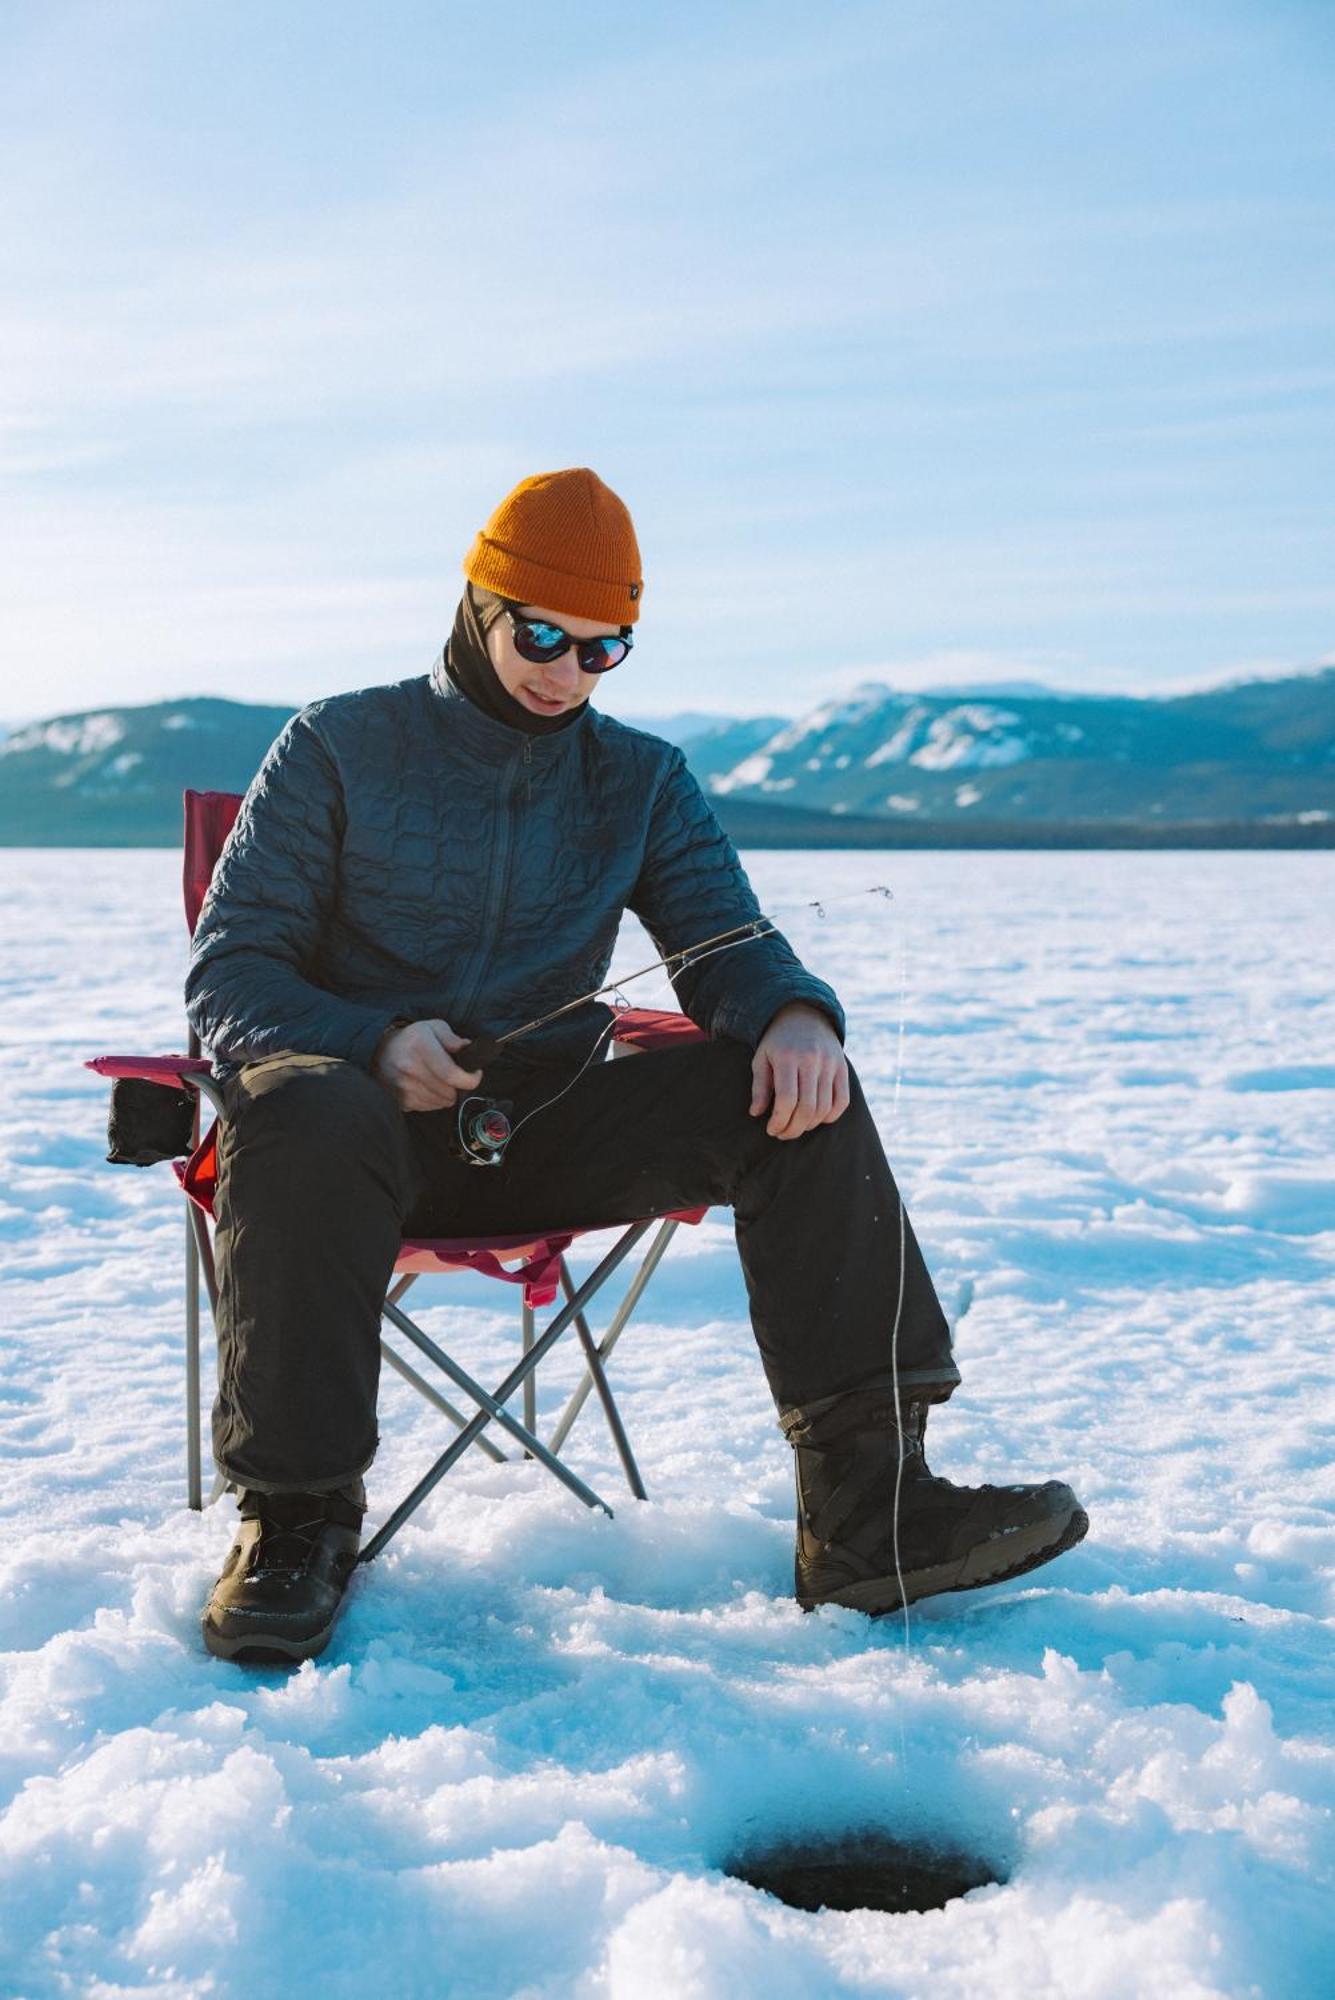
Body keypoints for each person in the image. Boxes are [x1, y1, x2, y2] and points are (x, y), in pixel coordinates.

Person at [186, 466, 1087, 1663]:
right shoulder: (338, 745)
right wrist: (372, 1042)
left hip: (541, 1125)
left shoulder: (641, 779)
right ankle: (296, 1522)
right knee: (299, 1104)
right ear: (478, 601)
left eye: (603, 649)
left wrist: (793, 1016)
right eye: (542, 633)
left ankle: (871, 1510)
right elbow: (229, 979)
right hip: (351, 1141)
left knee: (794, 1096)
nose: (565, 670)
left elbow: (727, 941)